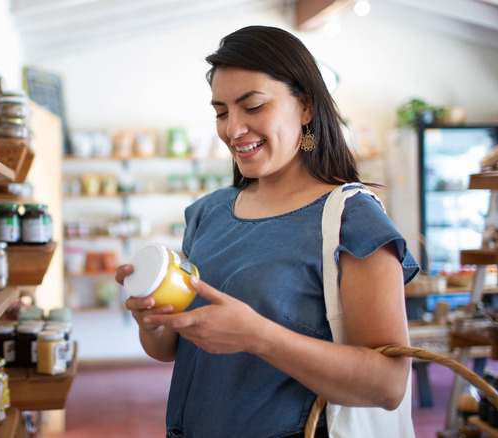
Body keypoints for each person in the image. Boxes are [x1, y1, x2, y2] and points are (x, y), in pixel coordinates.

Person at [114, 25, 419, 438]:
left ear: (306, 107)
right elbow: (171, 350)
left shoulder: (352, 219)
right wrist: (152, 321)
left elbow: (387, 384)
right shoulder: (209, 213)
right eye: (221, 112)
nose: (232, 129)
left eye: (252, 107)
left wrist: (260, 337)